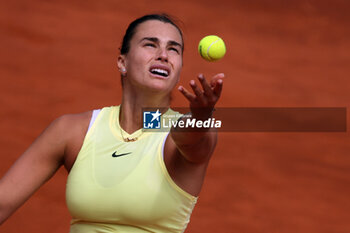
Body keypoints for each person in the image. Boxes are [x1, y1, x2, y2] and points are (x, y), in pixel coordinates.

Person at [0, 14, 224, 232]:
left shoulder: (183, 131)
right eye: (150, 45)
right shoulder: (73, 131)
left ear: (178, 70)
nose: (163, 55)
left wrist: (201, 118)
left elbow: (190, 138)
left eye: (173, 49)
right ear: (122, 62)